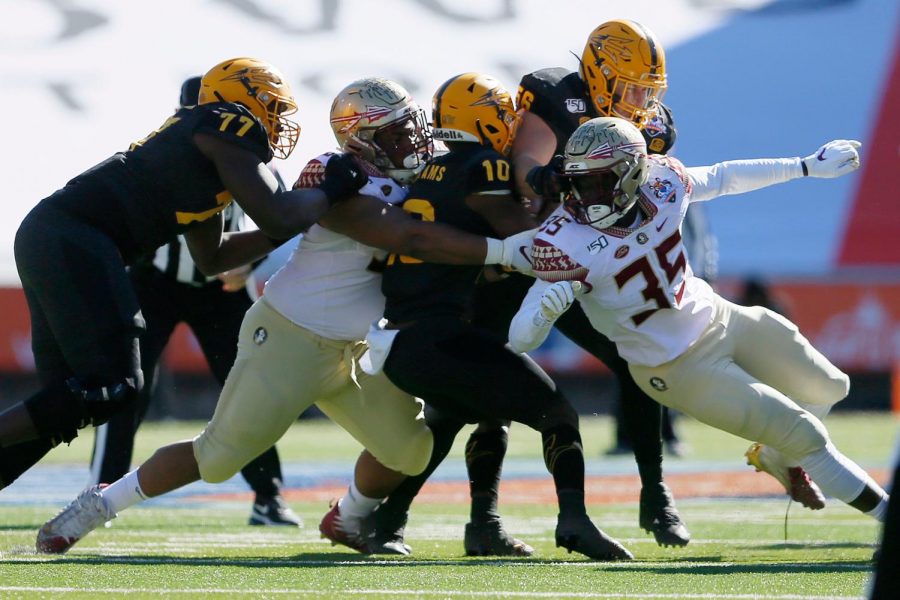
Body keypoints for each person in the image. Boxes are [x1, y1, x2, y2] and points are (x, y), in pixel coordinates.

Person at [34, 77, 533, 555]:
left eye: (411, 126)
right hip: (291, 336)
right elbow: (411, 238)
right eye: (395, 132)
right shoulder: (337, 176)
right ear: (360, 140)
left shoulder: (427, 177)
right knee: (217, 457)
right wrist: (509, 252)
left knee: (410, 450)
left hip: (356, 347)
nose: (412, 141)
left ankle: (348, 517)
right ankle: (96, 507)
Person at [364, 19, 690, 555]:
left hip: (587, 260)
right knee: (477, 400)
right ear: (601, 74)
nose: (643, 101)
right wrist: (545, 183)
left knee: (634, 359)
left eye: (649, 89)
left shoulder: (650, 123)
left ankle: (655, 492)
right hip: (535, 259)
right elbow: (526, 168)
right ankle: (456, 519)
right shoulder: (559, 96)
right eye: (633, 87)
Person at [0, 57, 367, 493]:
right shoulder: (225, 122)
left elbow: (213, 258)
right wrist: (328, 192)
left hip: (57, 237)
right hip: (75, 239)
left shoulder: (204, 157)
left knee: (73, 400)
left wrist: (300, 215)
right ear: (241, 97)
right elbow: (277, 215)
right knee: (113, 387)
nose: (278, 118)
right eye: (272, 105)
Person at [508, 116, 889, 528]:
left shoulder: (663, 180)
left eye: (601, 182)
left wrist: (805, 165)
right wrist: (542, 313)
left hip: (719, 317)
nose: (587, 196)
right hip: (675, 366)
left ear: (635, 172)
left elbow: (723, 177)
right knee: (805, 435)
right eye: (579, 182)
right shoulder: (564, 240)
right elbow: (519, 338)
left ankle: (777, 457)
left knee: (831, 387)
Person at [87, 76, 299, 527]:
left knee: (250, 389)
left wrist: (250, 263)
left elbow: (280, 219)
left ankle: (269, 495)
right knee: (127, 386)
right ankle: (99, 492)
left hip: (222, 290)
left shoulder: (255, 157)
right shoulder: (164, 158)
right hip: (155, 280)